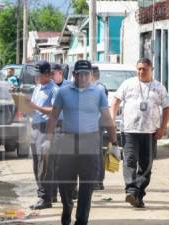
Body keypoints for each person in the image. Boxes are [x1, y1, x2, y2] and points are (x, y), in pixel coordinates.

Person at [45, 60, 118, 225]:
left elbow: (107, 118)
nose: (83, 77)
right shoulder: (63, 92)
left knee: (87, 184)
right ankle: (67, 205)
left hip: (90, 141)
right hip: (67, 141)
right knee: (64, 180)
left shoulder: (98, 92)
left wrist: (115, 143)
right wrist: (47, 141)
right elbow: (54, 116)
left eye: (87, 74)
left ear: (91, 75)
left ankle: (81, 220)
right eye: (80, 74)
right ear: (74, 75)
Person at [110, 58, 169, 208]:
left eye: (144, 69)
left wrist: (162, 128)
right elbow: (116, 101)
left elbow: (167, 108)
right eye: (139, 69)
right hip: (130, 130)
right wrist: (112, 120)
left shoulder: (158, 87)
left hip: (150, 132)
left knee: (146, 165)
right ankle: (131, 190)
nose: (141, 72)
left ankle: (138, 194)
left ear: (151, 69)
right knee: (130, 160)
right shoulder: (128, 84)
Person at [27, 60, 59, 210]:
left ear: (47, 74)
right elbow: (33, 107)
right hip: (35, 128)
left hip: (46, 129)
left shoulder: (54, 90)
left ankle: (44, 197)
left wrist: (36, 107)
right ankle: (50, 194)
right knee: (37, 162)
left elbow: (55, 111)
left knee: (43, 164)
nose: (36, 78)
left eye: (38, 75)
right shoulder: (38, 88)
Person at [91, 65, 108, 191]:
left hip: (96, 125)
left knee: (96, 153)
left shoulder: (99, 88)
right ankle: (97, 181)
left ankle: (97, 181)